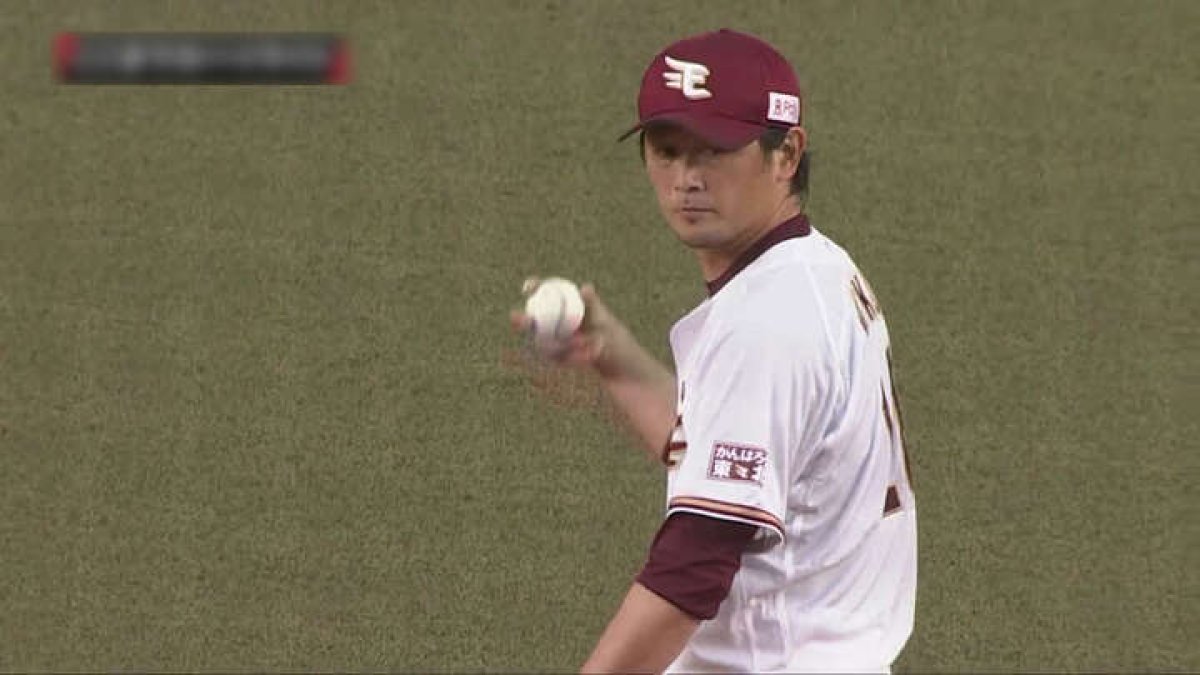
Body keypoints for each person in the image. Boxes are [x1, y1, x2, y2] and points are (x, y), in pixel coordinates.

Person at [512, 28, 917, 674]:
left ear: (786, 154)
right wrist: (612, 357)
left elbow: (692, 568)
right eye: (667, 151)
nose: (686, 179)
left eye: (715, 151)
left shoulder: (768, 322)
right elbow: (729, 449)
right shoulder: (818, 267)